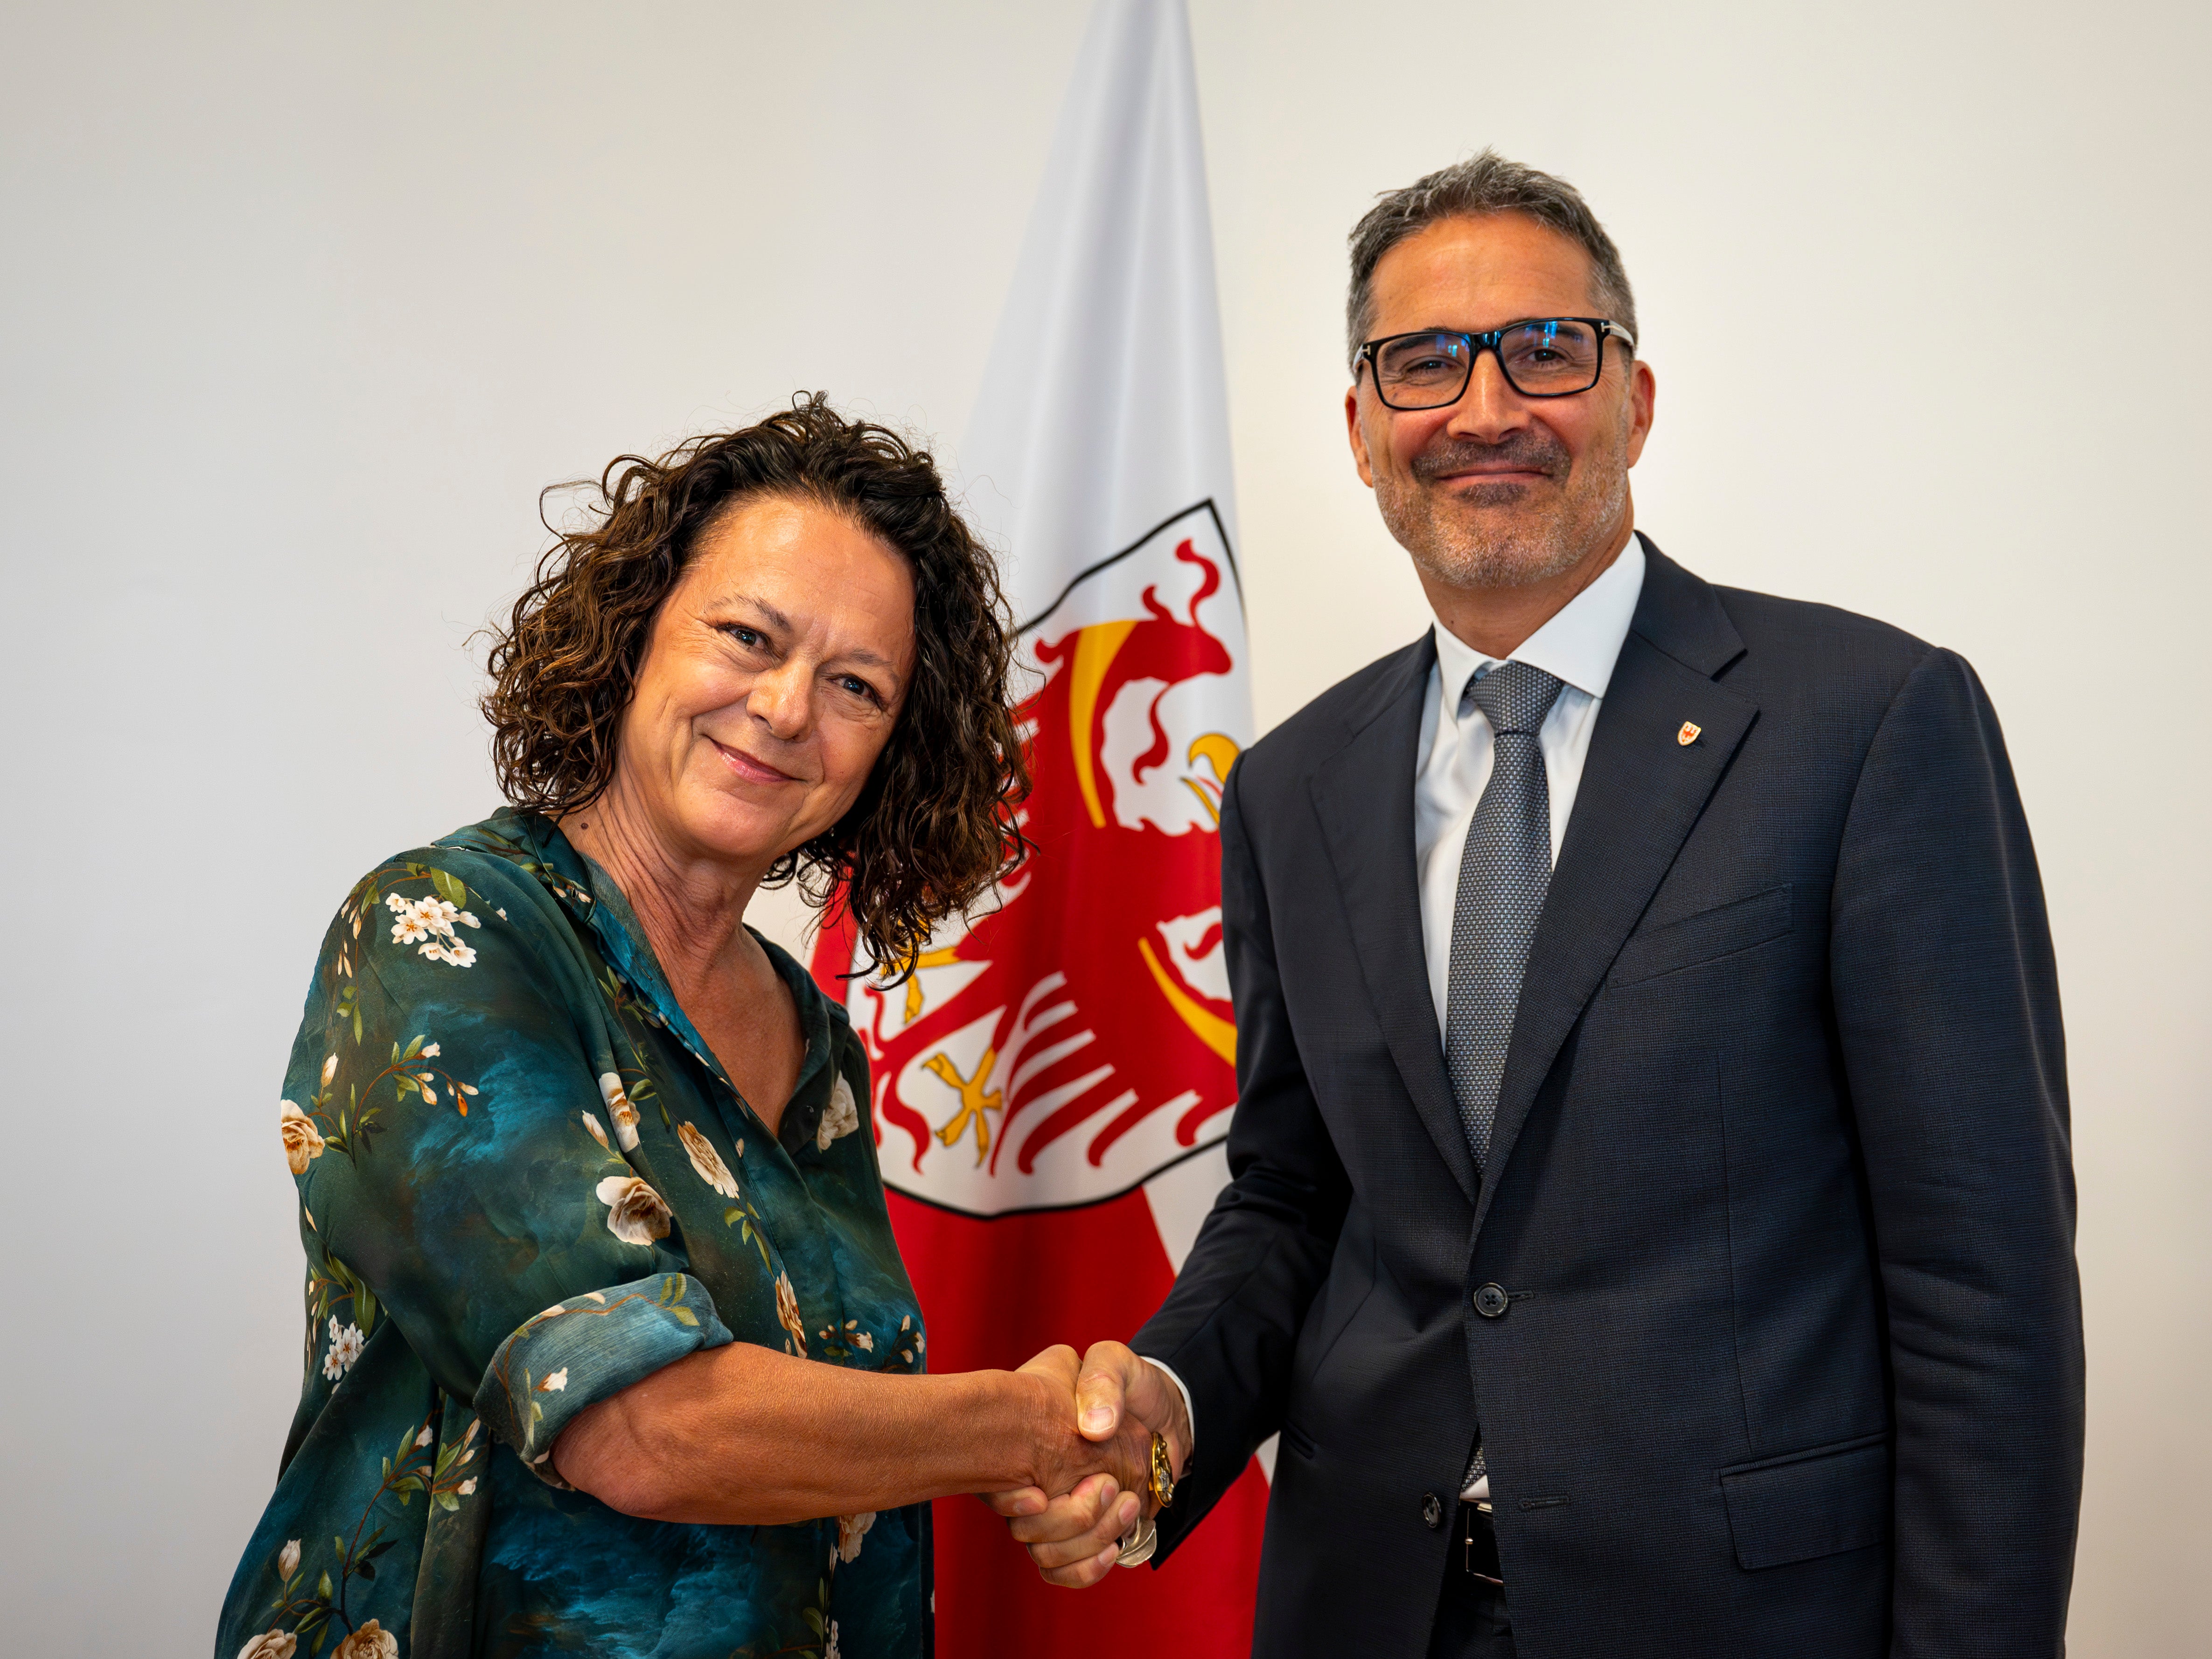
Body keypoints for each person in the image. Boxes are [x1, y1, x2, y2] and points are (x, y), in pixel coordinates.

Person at [990, 153, 2084, 1656]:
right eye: (1424, 364)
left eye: (1546, 349)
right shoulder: (1291, 784)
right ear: (1365, 434)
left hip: (1744, 1614)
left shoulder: (1870, 721)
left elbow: (1984, 1285)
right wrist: (1167, 1404)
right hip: (1370, 1606)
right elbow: (1297, 1196)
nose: (1486, 407)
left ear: (1635, 401)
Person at [217, 398, 1160, 1659]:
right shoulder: (440, 934)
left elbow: (836, 1438)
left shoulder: (815, 1040)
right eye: (748, 635)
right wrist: (1026, 1428)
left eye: (855, 686)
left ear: (895, 749)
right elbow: (642, 1426)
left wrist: (1069, 1447)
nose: (783, 709)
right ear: (636, 633)